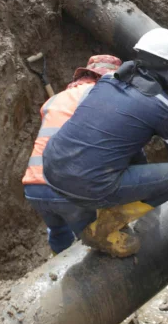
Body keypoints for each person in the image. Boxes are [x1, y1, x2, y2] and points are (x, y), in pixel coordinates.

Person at [31, 28, 168, 258]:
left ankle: (99, 220)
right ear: (167, 72)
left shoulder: (107, 81)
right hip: (86, 184)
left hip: (49, 168)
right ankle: (105, 229)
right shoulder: (163, 107)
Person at [22, 54, 122, 254]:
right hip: (65, 188)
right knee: (96, 241)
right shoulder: (98, 96)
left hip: (34, 187)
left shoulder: (54, 101)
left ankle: (58, 274)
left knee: (59, 234)